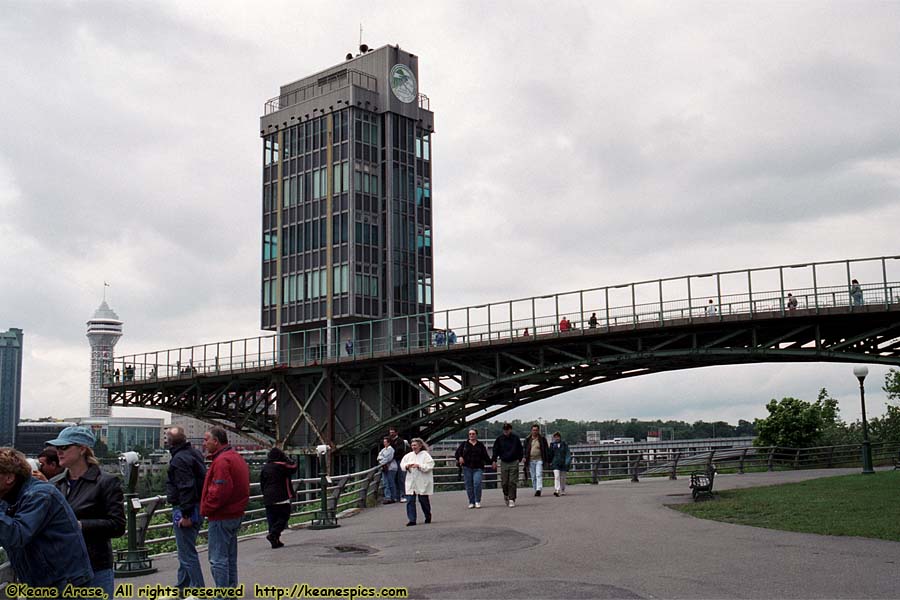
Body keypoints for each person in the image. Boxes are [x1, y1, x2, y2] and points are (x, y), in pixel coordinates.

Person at [48, 426, 126, 600]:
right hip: (61, 569)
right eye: (57, 448)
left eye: (64, 447)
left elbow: (118, 526)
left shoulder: (106, 482)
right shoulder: (55, 484)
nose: (59, 452)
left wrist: (80, 526)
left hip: (94, 568)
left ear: (82, 449)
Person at [0, 447, 94, 592]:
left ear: (9, 477)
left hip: (65, 585)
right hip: (43, 584)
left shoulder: (40, 495)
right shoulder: (8, 498)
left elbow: (17, 535)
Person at [200, 427, 250, 595]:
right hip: (235, 514)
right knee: (230, 558)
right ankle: (230, 592)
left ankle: (222, 595)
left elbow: (219, 491)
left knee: (217, 559)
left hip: (221, 516)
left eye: (206, 440)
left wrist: (206, 508)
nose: (204, 443)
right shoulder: (236, 457)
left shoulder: (222, 461)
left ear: (216, 441)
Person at [165, 426, 207, 593]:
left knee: (187, 553)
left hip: (186, 509)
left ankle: (198, 590)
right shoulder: (194, 453)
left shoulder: (179, 459)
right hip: (197, 506)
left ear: (170, 441)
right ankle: (182, 588)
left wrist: (186, 514)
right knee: (185, 551)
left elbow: (186, 487)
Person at [260, 447, 297, 549]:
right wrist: (287, 459)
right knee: (284, 516)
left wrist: (265, 495)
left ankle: (275, 540)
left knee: (272, 519)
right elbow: (294, 467)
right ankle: (274, 534)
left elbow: (262, 483)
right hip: (281, 495)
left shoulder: (265, 467)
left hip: (268, 497)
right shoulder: (282, 466)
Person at [399, 438, 434, 526]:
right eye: (412, 445)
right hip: (411, 481)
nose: (413, 447)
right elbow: (402, 465)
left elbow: (430, 465)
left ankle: (427, 515)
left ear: (420, 446)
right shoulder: (408, 456)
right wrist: (407, 466)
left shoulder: (425, 455)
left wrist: (419, 466)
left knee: (423, 500)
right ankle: (412, 519)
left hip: (422, 480)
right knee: (410, 500)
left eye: (415, 445)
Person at [455, 429, 491, 509]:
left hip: (478, 468)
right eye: (470, 434)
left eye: (473, 434)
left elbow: (485, 456)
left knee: (477, 483)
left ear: (476, 435)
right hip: (467, 467)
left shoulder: (480, 445)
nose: (471, 435)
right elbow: (457, 453)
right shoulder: (464, 444)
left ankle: (477, 501)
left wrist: (493, 462)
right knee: (469, 485)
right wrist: (460, 457)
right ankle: (471, 501)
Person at [491, 423, 524, 508]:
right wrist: (494, 460)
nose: (506, 431)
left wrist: (520, 458)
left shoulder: (515, 438)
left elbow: (520, 449)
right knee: (504, 482)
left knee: (512, 481)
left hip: (514, 461)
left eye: (507, 429)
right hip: (504, 462)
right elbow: (495, 450)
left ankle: (512, 499)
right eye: (505, 430)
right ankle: (506, 494)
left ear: (510, 429)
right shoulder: (499, 439)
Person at [522, 424, 550, 497]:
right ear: (531, 431)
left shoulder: (542, 439)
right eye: (533, 430)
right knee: (533, 476)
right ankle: (536, 490)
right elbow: (524, 449)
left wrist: (547, 460)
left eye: (536, 430)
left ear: (538, 431)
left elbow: (546, 449)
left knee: (538, 474)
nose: (535, 431)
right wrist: (524, 457)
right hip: (530, 460)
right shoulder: (527, 439)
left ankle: (539, 489)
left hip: (539, 459)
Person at [388, 427, 410, 502]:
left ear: (396, 433)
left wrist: (391, 455)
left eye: (392, 432)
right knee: (394, 479)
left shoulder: (400, 441)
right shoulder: (390, 441)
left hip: (399, 460)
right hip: (393, 461)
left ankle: (402, 495)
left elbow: (399, 451)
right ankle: (397, 496)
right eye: (390, 432)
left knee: (401, 478)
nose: (391, 434)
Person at [549, 432, 571, 497]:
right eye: (555, 437)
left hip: (563, 463)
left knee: (563, 478)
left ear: (560, 437)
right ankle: (557, 490)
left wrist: (567, 461)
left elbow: (567, 453)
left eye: (557, 437)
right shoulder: (552, 445)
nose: (556, 438)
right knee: (557, 476)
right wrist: (550, 461)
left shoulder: (564, 444)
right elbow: (550, 454)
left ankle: (563, 489)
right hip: (555, 462)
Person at [377, 437, 397, 504]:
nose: (384, 443)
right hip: (385, 467)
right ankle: (388, 497)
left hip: (390, 468)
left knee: (391, 483)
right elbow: (378, 457)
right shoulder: (383, 449)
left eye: (385, 442)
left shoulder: (391, 449)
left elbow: (388, 458)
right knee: (386, 483)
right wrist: (382, 460)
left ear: (388, 442)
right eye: (384, 442)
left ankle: (392, 497)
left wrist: (381, 460)